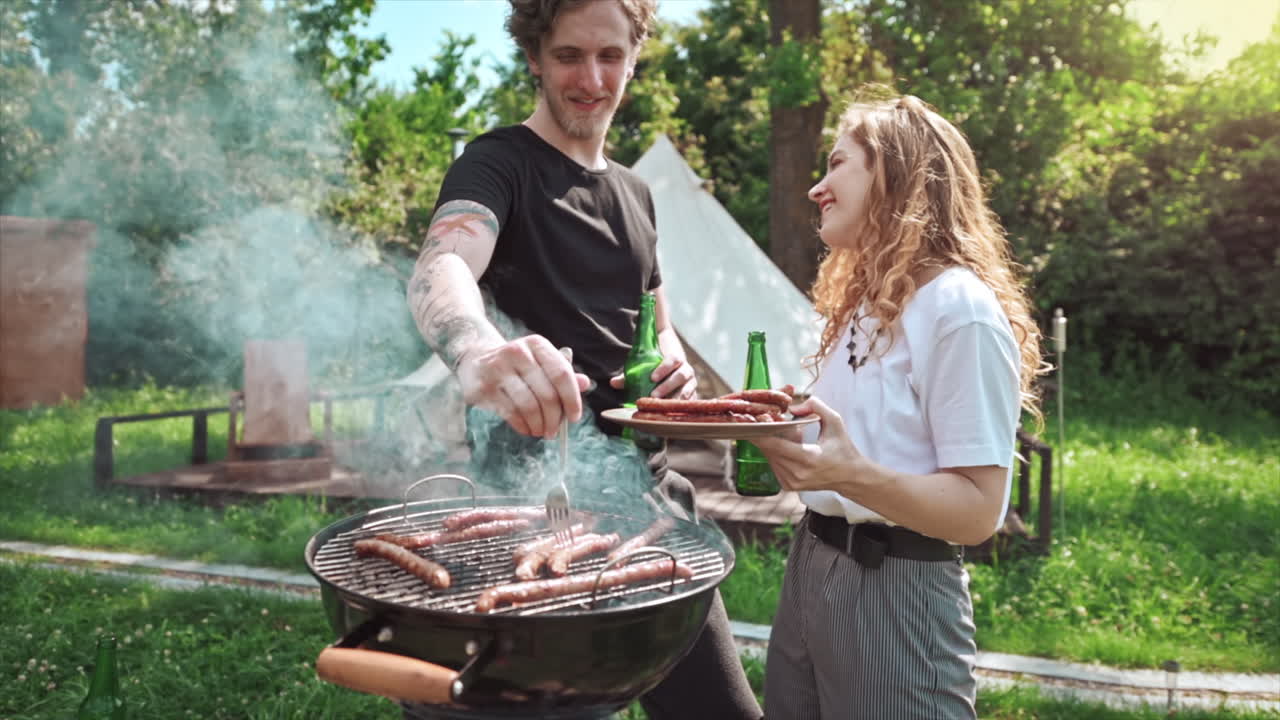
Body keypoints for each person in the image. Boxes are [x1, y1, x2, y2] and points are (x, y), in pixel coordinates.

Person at [405, 1, 762, 719]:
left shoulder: (637, 193)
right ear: (535, 56)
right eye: (569, 55)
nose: (591, 78)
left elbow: (653, 317)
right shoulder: (497, 162)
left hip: (655, 512)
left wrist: (673, 366)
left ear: (634, 58)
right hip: (531, 517)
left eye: (610, 57)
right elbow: (441, 267)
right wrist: (477, 351)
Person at [751, 91, 1046, 719]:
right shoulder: (868, 304)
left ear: (894, 173)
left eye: (837, 164)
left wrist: (847, 474)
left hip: (896, 589)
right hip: (813, 565)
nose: (817, 188)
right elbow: (865, 445)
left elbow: (977, 511)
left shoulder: (958, 310)